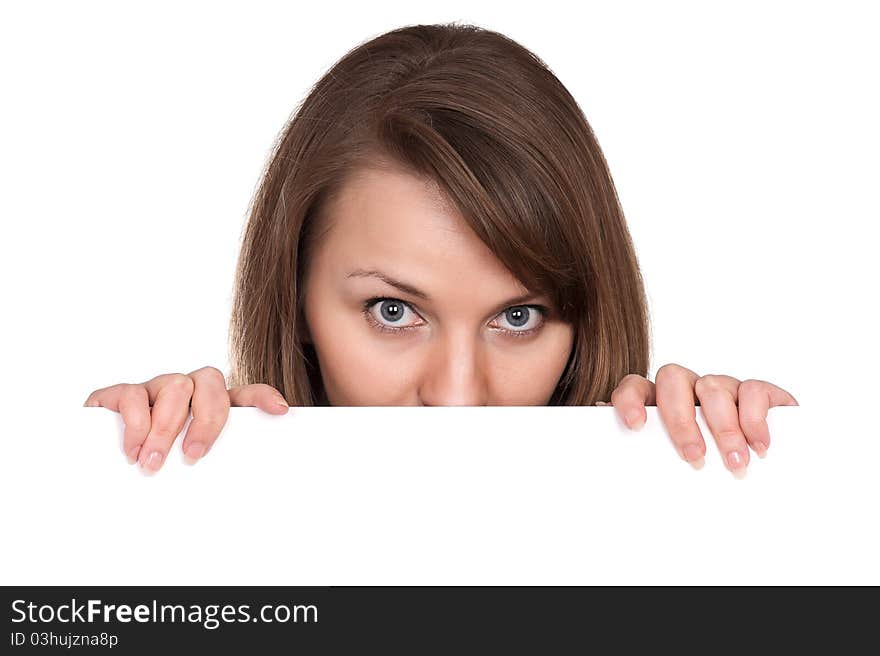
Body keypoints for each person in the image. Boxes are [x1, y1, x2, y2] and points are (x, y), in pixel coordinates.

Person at [83, 23, 797, 478]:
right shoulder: (185, 521)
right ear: (296, 300)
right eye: (393, 310)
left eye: (518, 318)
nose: (457, 399)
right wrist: (130, 499)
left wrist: (751, 489)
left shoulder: (680, 518)